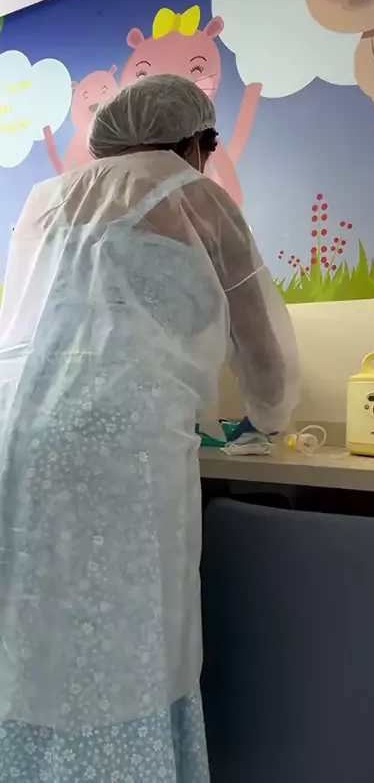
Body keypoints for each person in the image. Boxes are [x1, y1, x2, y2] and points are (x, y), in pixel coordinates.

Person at [0, 74, 299, 782]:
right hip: (121, 437)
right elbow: (258, 340)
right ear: (196, 142)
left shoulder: (45, 198)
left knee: (27, 624)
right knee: (128, 633)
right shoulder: (195, 193)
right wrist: (271, 417)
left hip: (15, 424)